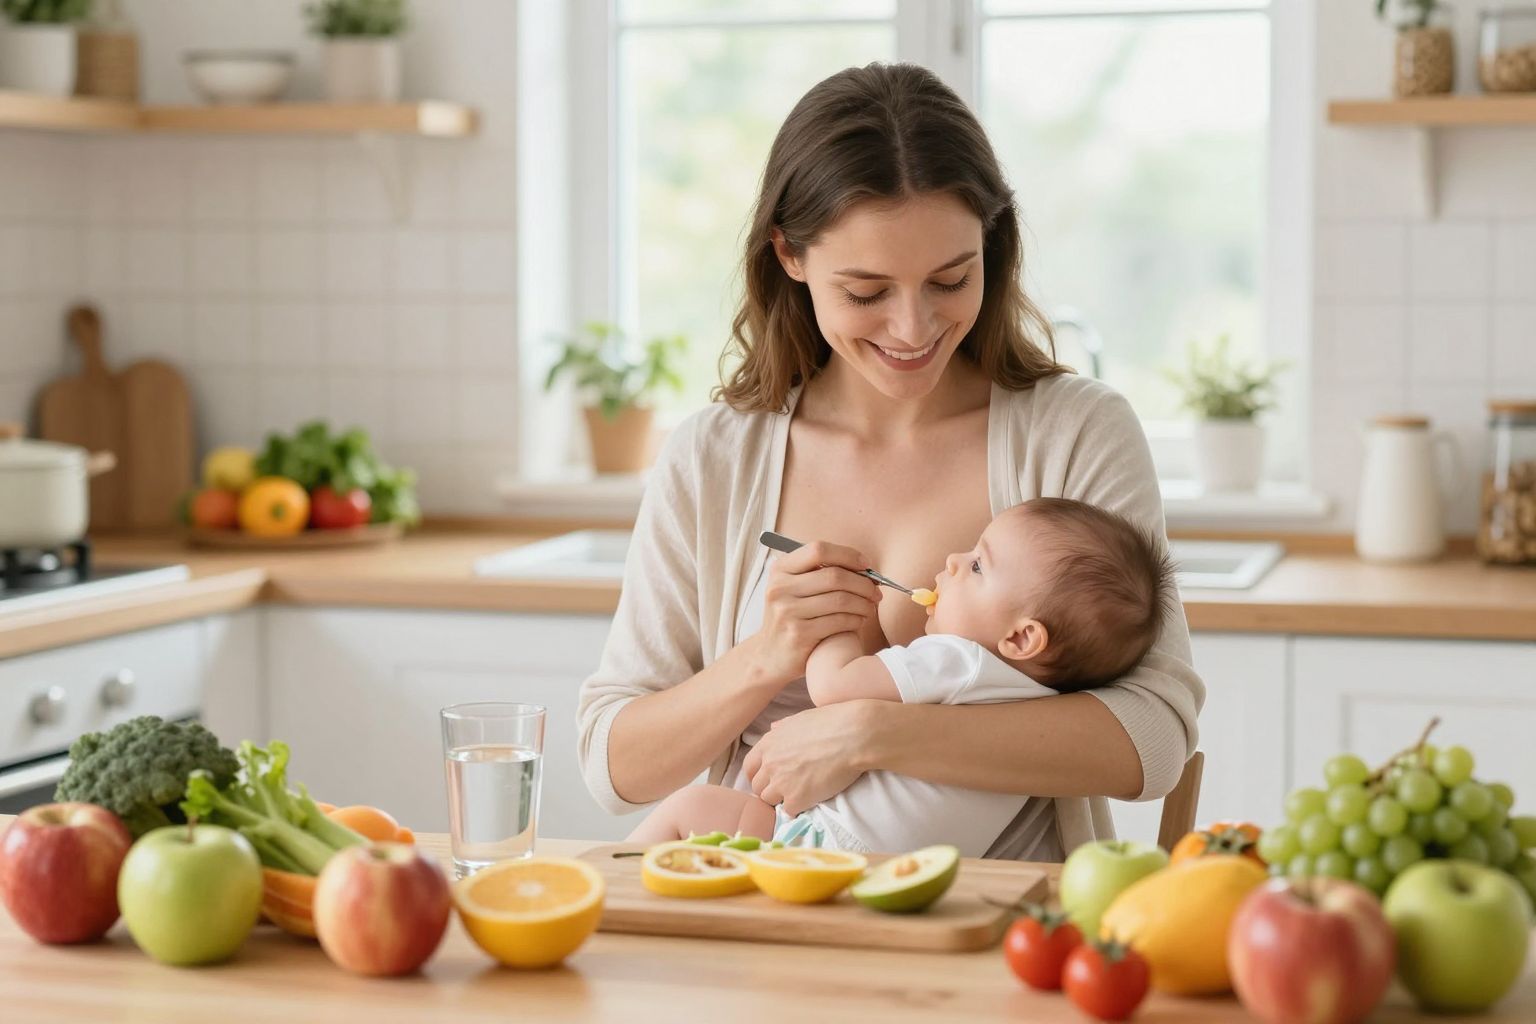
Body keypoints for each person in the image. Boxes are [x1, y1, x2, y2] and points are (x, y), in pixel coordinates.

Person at [577, 62, 1204, 862]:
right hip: (765, 925)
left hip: (1006, 938)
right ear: (790, 256)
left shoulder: (1074, 432)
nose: (912, 329)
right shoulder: (713, 457)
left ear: (993, 245)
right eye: (867, 291)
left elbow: (1153, 740)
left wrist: (875, 731)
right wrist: (765, 658)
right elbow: (612, 767)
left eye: (950, 279)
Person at [626, 498, 1179, 856]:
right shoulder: (1031, 694)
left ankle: (601, 905)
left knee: (690, 811)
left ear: (1022, 637)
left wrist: (837, 616)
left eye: (980, 566)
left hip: (821, 847)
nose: (955, 562)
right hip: (891, 873)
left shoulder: (958, 660)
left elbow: (837, 688)